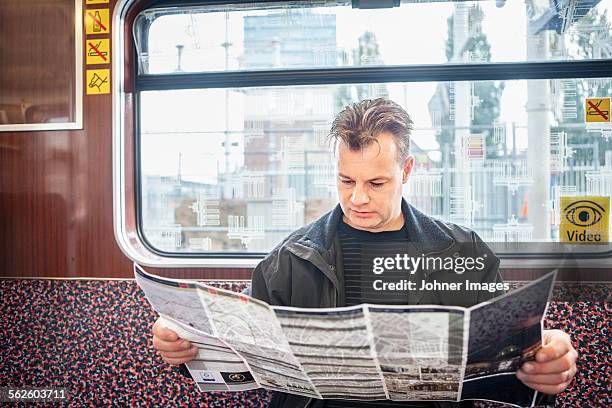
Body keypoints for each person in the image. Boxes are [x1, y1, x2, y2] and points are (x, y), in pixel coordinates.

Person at [152, 98, 578, 407]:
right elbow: (249, 360)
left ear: (406, 171)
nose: (356, 199)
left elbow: (504, 361)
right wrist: (187, 347)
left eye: (376, 183)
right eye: (344, 181)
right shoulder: (287, 261)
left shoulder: (463, 252)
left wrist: (543, 358)